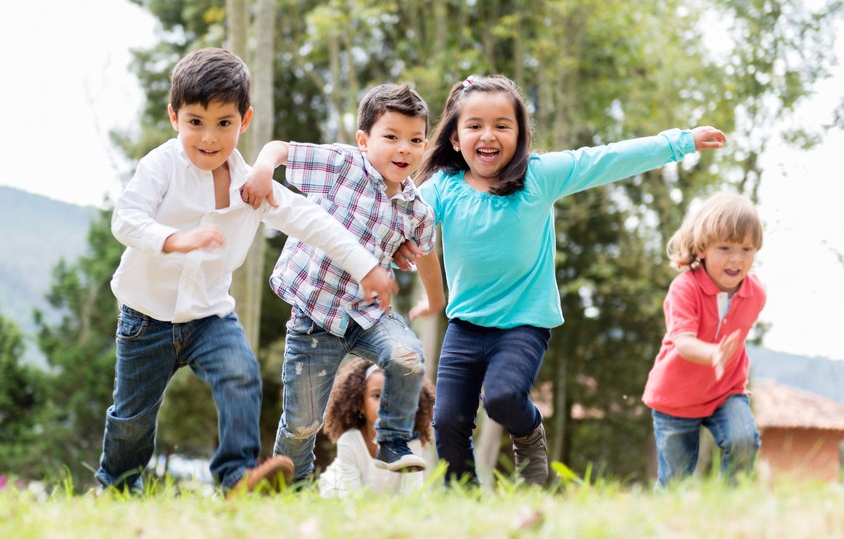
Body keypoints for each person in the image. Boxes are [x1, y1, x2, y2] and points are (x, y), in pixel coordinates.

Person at [95, 47, 397, 498]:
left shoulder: (250, 185)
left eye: (224, 124)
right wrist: (174, 239)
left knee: (241, 374)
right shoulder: (161, 165)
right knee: (133, 417)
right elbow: (127, 218)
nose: (209, 138)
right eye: (195, 122)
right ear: (174, 117)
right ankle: (115, 485)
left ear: (245, 120)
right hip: (146, 317)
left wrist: (367, 266)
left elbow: (312, 221)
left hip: (209, 316)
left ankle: (237, 478)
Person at [404, 74, 727, 486]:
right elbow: (401, 218)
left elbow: (608, 158)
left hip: (524, 323)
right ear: (454, 139)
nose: (488, 135)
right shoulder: (441, 189)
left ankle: (530, 433)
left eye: (502, 125)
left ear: (520, 135)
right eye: (474, 126)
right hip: (465, 326)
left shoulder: (540, 176)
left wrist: (681, 141)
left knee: (503, 397)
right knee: (448, 421)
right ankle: (464, 499)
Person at [239, 83, 445, 484]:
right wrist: (263, 170)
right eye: (391, 137)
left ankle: (392, 439)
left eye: (415, 140)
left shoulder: (416, 209)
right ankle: (288, 489)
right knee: (302, 424)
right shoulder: (342, 165)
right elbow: (281, 149)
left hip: (369, 315)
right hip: (315, 319)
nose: (404, 149)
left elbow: (426, 256)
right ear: (364, 139)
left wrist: (434, 300)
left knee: (408, 357)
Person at [642, 192, 765, 488]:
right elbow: (683, 342)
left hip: (726, 390)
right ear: (703, 248)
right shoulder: (685, 289)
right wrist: (713, 353)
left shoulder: (756, 293)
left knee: (744, 441)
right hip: (676, 398)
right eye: (725, 247)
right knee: (675, 481)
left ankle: (730, 508)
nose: (737, 258)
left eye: (747, 249)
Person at [318, 358, 436, 497]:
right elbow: (352, 497)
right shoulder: (350, 441)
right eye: (377, 395)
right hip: (341, 490)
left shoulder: (411, 442)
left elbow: (413, 495)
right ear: (360, 404)